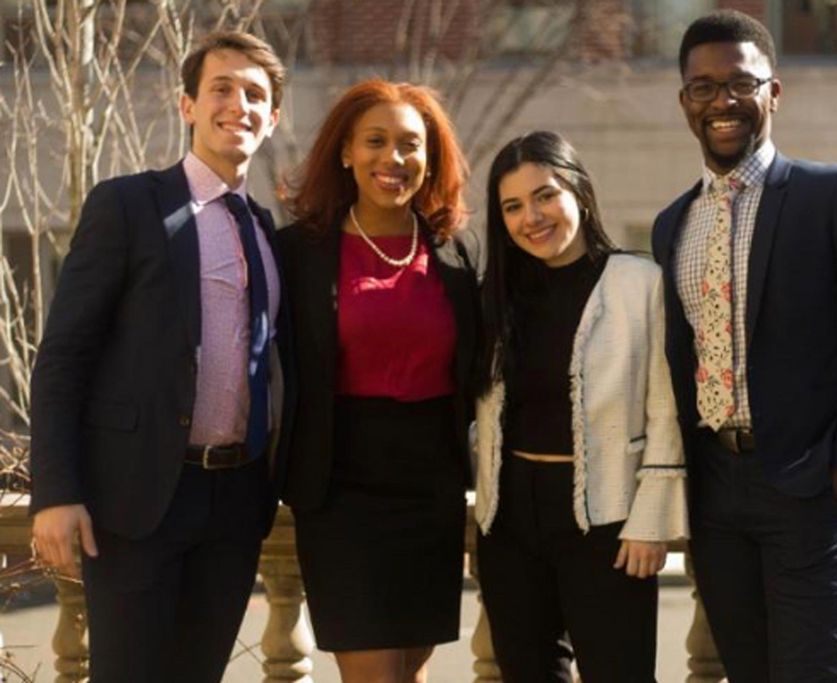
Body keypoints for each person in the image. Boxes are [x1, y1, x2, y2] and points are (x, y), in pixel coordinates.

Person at [651, 10, 837, 682]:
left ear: (774, 92)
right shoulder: (671, 225)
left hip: (810, 491)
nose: (722, 102)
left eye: (740, 84)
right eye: (703, 87)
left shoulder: (835, 195)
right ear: (685, 101)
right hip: (716, 498)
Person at [29, 30, 294, 683]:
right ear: (187, 106)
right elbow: (64, 354)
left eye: (255, 94)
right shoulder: (129, 205)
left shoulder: (266, 228)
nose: (239, 104)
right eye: (221, 89)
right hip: (136, 497)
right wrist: (56, 491)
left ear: (274, 117)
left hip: (235, 501)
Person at [280, 79, 478, 683]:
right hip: (340, 490)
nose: (394, 159)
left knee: (410, 672)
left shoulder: (453, 253)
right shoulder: (299, 253)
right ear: (345, 152)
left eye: (411, 144)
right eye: (376, 141)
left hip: (431, 491)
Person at [474, 130, 686, 683]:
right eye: (513, 207)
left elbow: (667, 409)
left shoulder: (640, 284)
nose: (532, 217)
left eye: (545, 195)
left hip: (610, 521)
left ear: (580, 193)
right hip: (510, 520)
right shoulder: (497, 293)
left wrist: (652, 520)